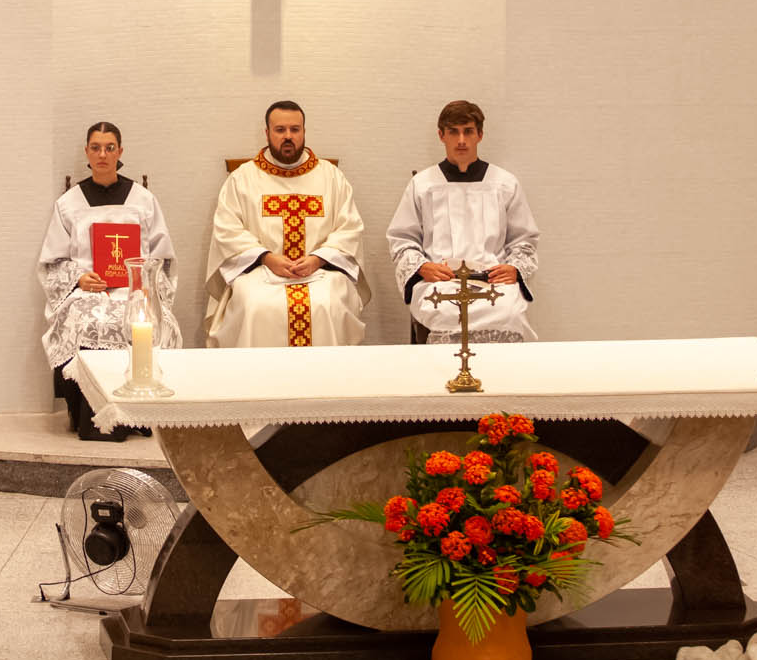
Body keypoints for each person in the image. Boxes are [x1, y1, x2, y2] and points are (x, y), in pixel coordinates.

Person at [38, 122, 182, 440]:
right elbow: (53, 261)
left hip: (134, 288)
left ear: (120, 152)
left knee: (140, 318)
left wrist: (144, 280)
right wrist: (79, 278)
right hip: (89, 290)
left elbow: (163, 258)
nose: (102, 154)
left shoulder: (143, 200)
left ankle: (138, 414)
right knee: (84, 318)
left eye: (109, 148)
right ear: (87, 152)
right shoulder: (70, 203)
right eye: (96, 148)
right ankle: (89, 418)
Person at [206, 101, 368, 347]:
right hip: (259, 272)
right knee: (254, 304)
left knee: (327, 302)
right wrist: (267, 258)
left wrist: (317, 259)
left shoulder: (331, 176)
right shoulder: (243, 178)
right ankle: (260, 373)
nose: (288, 136)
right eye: (280, 130)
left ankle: (327, 372)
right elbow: (228, 230)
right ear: (267, 133)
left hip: (321, 272)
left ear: (304, 131)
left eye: (295, 129)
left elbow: (349, 228)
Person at [386, 100, 540, 343]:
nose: (461, 140)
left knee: (508, 311)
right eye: (453, 132)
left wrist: (514, 268)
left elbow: (524, 240)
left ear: (480, 135)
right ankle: (444, 368)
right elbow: (402, 239)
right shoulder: (423, 185)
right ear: (441, 135)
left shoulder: (504, 184)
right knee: (444, 311)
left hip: (492, 281)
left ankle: (498, 369)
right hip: (441, 281)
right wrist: (422, 267)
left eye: (468, 131)